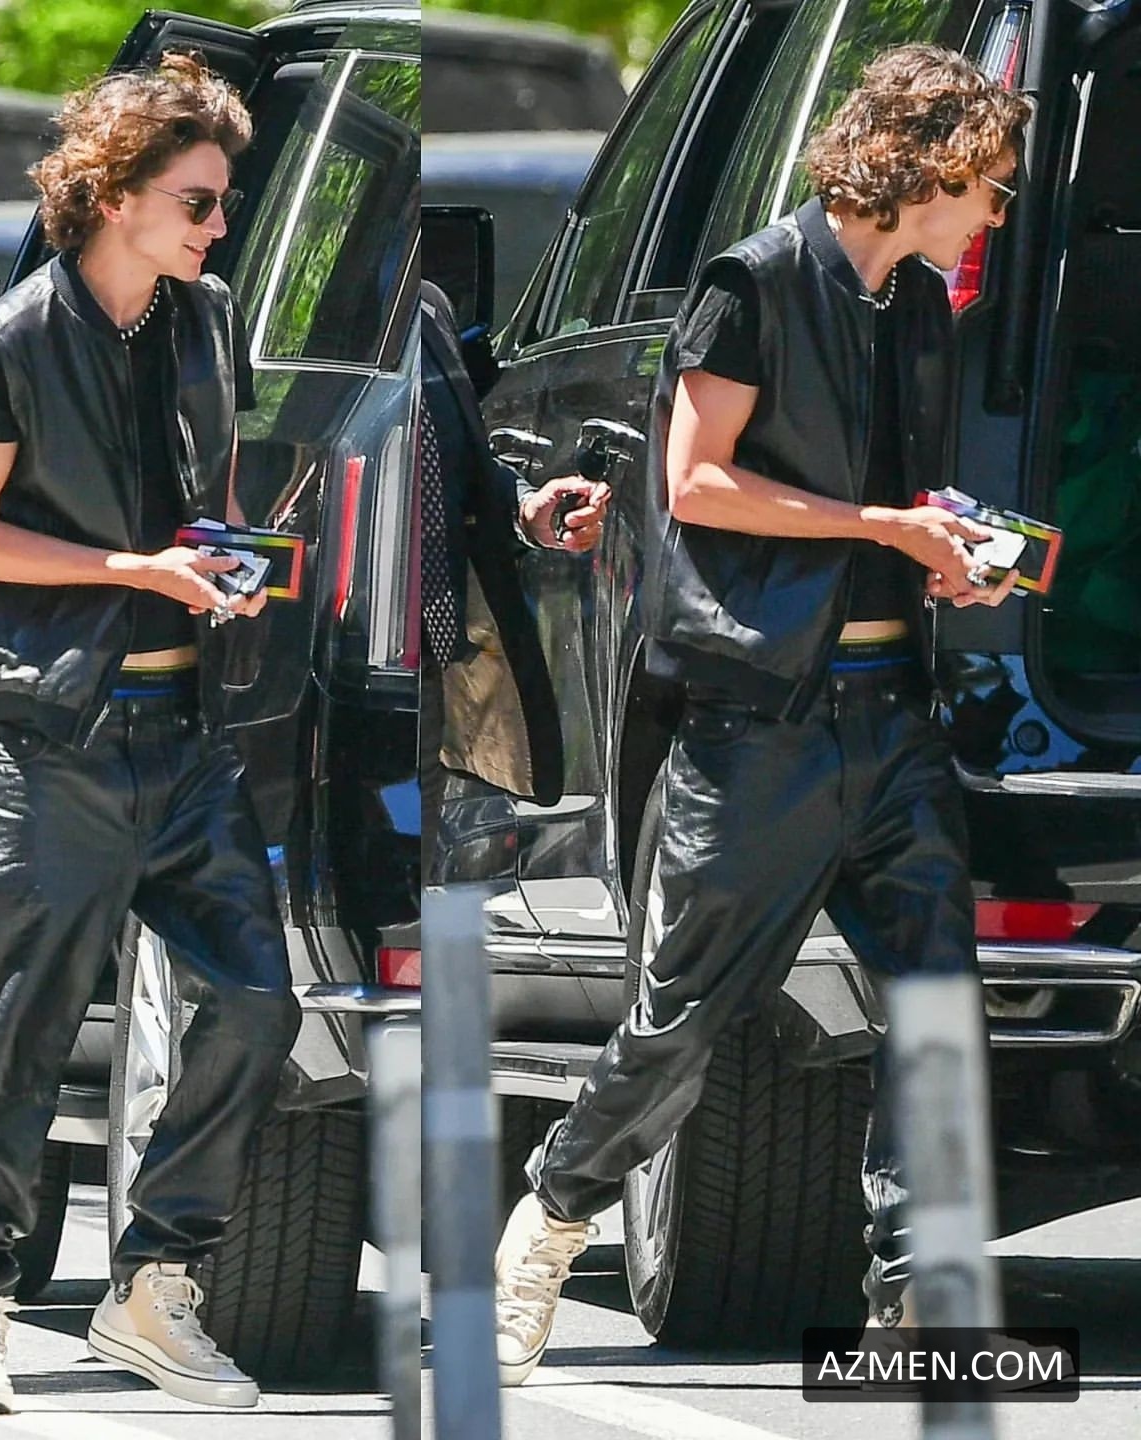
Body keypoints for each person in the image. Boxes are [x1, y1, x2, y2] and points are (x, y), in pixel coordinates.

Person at [492, 44, 1032, 1385]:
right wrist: (884, 527)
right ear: (933, 166)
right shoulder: (754, 283)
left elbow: (894, 497)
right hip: (760, 726)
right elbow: (700, 483)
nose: (998, 211)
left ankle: (922, 1296)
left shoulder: (916, 304)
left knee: (938, 1010)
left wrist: (949, 551)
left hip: (889, 715)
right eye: (993, 183)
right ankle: (553, 1212)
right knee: (682, 1021)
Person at [0, 54, 301, 1414]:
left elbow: (213, 491)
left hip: (189, 736)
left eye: (223, 202)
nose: (219, 225)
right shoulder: (7, 342)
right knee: (16, 1044)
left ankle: (152, 1286)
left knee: (258, 1005)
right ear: (112, 195)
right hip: (57, 745)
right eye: (198, 201)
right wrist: (133, 570)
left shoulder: (207, 322)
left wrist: (234, 562)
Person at [418, 278, 610, 871]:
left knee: (412, 868)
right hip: (348, 655)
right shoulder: (353, 312)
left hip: (431, 667)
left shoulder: (428, 309)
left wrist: (526, 510)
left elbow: (466, 468)